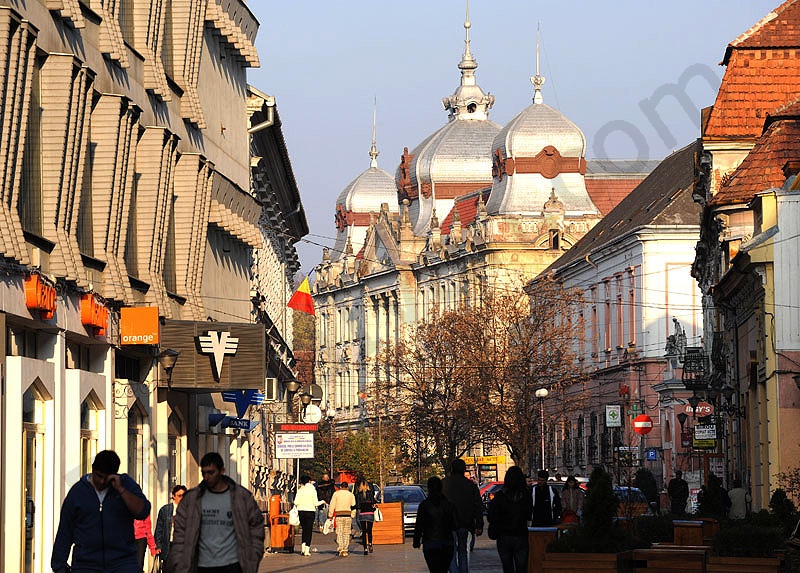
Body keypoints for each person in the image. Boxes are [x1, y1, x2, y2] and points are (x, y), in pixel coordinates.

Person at [52, 450, 151, 573]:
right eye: (99, 476)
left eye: (106, 478)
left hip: (122, 563)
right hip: (86, 564)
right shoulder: (78, 492)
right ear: (93, 469)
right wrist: (59, 565)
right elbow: (65, 530)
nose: (102, 482)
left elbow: (143, 511)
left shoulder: (126, 485)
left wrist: (121, 490)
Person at [167, 452, 264, 573]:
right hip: (201, 566)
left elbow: (256, 528)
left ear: (222, 471)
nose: (207, 477)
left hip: (233, 565)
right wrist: (179, 562)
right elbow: (180, 533)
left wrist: (253, 557)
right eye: (204, 473)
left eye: (211, 472)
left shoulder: (241, 497)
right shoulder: (192, 499)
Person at [487, 467, 533, 573]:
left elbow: (492, 516)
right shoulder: (526, 495)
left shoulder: (500, 496)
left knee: (507, 567)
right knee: (521, 567)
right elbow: (529, 514)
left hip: (504, 535)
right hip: (521, 534)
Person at [442, 458, 483, 573]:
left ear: (452, 469)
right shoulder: (471, 486)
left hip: (449, 524)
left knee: (451, 551)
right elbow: (478, 506)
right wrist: (479, 524)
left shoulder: (444, 484)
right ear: (463, 469)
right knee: (463, 551)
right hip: (465, 523)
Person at [413, 476, 457, 573]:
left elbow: (419, 525)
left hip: (430, 543)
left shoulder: (424, 505)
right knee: (444, 569)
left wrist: (416, 541)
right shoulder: (449, 504)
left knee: (434, 569)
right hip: (447, 542)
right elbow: (455, 524)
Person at [154, 484, 187, 570]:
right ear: (173, 496)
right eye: (179, 496)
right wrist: (158, 546)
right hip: (168, 545)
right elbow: (159, 529)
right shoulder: (165, 510)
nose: (182, 498)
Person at [293, 474, 324, 556]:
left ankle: (302, 548)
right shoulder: (313, 491)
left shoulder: (300, 490)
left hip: (301, 512)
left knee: (304, 529)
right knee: (309, 531)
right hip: (310, 512)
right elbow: (316, 503)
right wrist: (323, 501)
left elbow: (296, 502)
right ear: (309, 482)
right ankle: (307, 550)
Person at [328, 481, 357, 557]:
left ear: (340, 487)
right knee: (347, 533)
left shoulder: (336, 494)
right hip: (348, 515)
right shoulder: (351, 495)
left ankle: (341, 547)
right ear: (347, 487)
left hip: (339, 515)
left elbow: (332, 505)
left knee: (339, 532)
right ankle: (345, 548)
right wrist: (352, 515)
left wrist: (330, 514)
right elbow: (354, 506)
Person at [355, 478, 378, 555]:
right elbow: (373, 501)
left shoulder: (359, 494)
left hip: (362, 513)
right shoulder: (370, 493)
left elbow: (357, 504)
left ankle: (365, 548)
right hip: (370, 513)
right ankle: (370, 543)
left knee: (364, 532)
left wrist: (356, 507)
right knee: (369, 530)